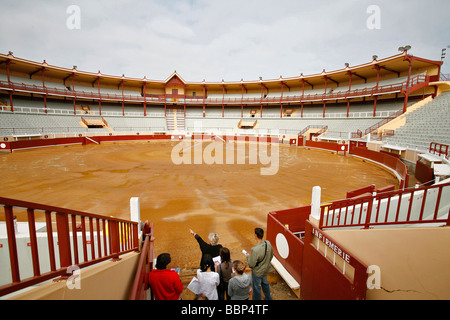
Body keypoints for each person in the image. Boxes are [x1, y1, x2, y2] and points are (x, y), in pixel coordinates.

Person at [246, 228, 273, 300]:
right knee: (265, 283)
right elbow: (271, 256)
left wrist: (248, 257)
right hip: (266, 269)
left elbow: (251, 264)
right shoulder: (268, 244)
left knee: (256, 288)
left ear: (255, 235)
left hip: (257, 272)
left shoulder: (255, 250)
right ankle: (268, 298)